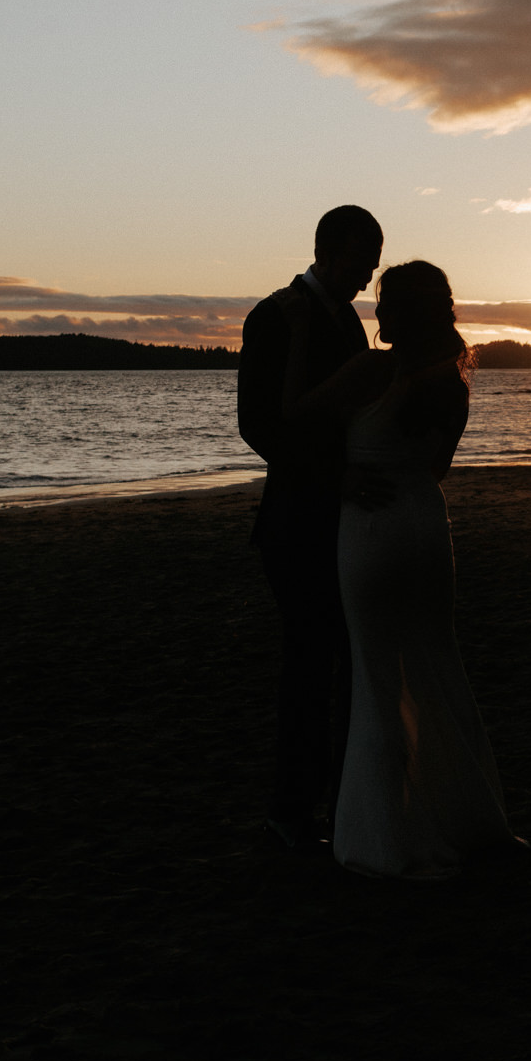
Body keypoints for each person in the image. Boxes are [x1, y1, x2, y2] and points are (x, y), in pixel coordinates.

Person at [283, 260, 522, 879]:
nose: (377, 313)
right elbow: (436, 467)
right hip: (424, 526)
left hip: (371, 529)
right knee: (437, 666)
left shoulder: (371, 369)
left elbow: (295, 417)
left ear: (404, 313)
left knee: (376, 679)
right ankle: (469, 819)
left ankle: (384, 836)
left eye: (385, 303)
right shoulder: (453, 382)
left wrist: (302, 345)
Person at [238, 205, 384, 852]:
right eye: (364, 255)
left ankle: (338, 806)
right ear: (330, 248)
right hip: (298, 524)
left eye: (376, 257)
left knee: (345, 667)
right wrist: (335, 478)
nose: (371, 270)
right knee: (308, 669)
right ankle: (291, 813)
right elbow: (259, 426)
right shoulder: (274, 316)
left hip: (346, 521)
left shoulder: (348, 321)